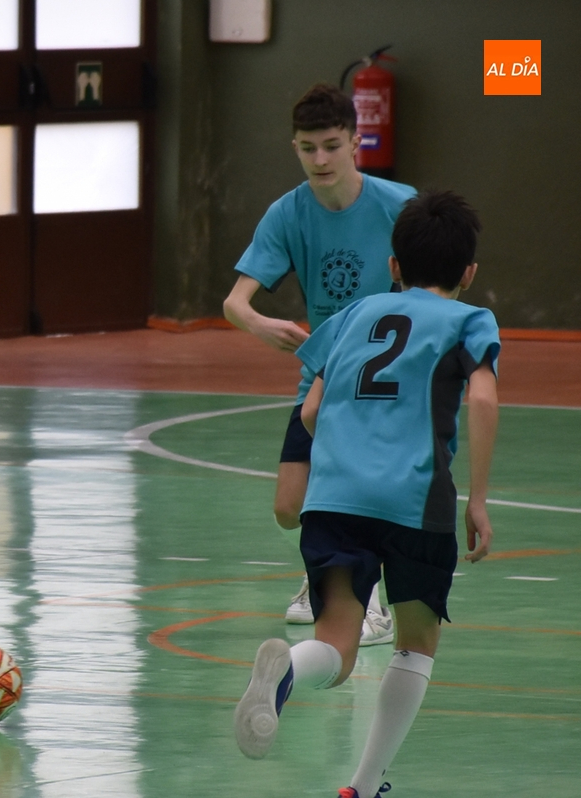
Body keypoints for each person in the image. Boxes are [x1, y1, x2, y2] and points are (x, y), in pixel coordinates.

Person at [233, 190, 499, 797]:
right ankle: (363, 783)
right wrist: (479, 499)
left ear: (394, 265)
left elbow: (311, 411)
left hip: (334, 499)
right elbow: (482, 400)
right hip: (415, 502)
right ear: (468, 273)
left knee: (336, 643)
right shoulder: (469, 320)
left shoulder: (353, 315)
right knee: (415, 645)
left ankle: (287, 672)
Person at [223, 83, 417, 644]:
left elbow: (434, 287)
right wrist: (261, 324)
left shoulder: (400, 206)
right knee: (290, 508)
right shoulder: (288, 213)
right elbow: (235, 303)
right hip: (324, 378)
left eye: (332, 145)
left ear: (356, 141)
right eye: (308, 148)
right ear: (295, 147)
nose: (321, 159)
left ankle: (367, 597)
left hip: (386, 380)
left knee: (361, 495)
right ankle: (322, 572)